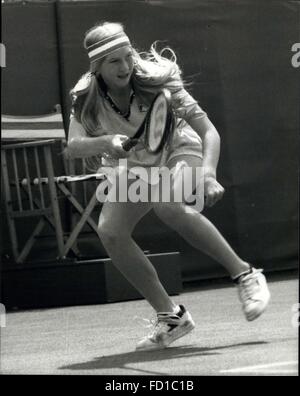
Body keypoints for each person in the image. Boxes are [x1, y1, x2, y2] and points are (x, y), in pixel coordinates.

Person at [67, 21, 271, 351]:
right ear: (97, 67)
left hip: (179, 148)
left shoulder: (157, 80)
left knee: (168, 205)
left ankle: (246, 275)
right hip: (138, 161)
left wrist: (207, 174)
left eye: (127, 55)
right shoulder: (84, 94)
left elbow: (208, 132)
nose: (125, 66)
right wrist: (106, 142)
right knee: (110, 231)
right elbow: (73, 146)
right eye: (114, 61)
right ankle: (171, 316)